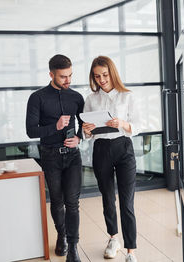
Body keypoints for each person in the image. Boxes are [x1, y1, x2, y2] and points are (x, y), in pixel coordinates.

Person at [82, 56, 140, 262]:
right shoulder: (90, 99)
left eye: (105, 75)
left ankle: (131, 250)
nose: (102, 80)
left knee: (126, 202)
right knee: (107, 198)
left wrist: (122, 123)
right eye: (97, 76)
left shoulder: (127, 96)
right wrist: (86, 130)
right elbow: (88, 134)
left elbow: (138, 125)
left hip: (123, 148)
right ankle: (113, 238)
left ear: (112, 73)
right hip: (101, 149)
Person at [26, 54, 83, 262]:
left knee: (73, 202)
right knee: (57, 201)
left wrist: (79, 137)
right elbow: (31, 131)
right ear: (51, 74)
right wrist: (55, 127)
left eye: (70, 75)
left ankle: (74, 248)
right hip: (50, 157)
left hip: (73, 157)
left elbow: (85, 126)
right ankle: (61, 234)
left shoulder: (76, 97)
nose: (68, 81)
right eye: (62, 77)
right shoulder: (37, 98)